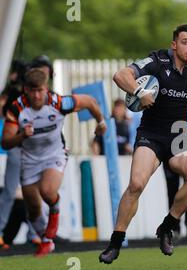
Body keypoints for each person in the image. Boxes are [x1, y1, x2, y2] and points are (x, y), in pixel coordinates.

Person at [98, 23, 187, 264]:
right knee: (136, 184)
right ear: (174, 44)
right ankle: (115, 242)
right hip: (151, 135)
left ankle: (168, 225)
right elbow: (120, 75)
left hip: (178, 136)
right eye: (185, 42)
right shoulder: (157, 61)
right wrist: (138, 91)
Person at [1, 68, 107, 257]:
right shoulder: (17, 108)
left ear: (46, 88)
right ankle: (46, 240)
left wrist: (100, 122)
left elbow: (90, 102)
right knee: (33, 209)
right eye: (32, 90)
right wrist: (21, 135)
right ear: (25, 89)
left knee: (48, 192)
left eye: (40, 90)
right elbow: (6, 142)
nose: (36, 95)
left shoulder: (58, 102)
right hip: (29, 160)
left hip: (54, 155)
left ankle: (51, 228)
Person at [0, 59, 43, 250]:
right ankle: (0, 231)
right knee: (9, 192)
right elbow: (5, 109)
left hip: (33, 149)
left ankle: (35, 233)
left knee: (33, 192)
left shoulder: (39, 100)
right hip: (18, 147)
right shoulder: (15, 99)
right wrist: (12, 84)